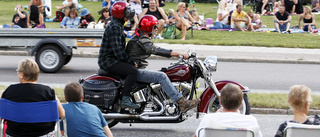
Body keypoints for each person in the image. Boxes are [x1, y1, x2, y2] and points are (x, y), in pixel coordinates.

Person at [126, 15, 199, 113]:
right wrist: (178, 54)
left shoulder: (141, 36)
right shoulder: (142, 39)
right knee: (161, 76)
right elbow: (155, 50)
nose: (156, 29)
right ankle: (182, 103)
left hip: (135, 69)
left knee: (165, 72)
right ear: (148, 27)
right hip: (134, 71)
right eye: (154, 27)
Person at [1, 59, 65, 136]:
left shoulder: (9, 91)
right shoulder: (48, 92)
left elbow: (3, 114)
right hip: (43, 134)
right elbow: (62, 114)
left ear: (22, 74)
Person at [98, 1, 139, 109]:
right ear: (121, 14)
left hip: (112, 59)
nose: (129, 13)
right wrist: (130, 61)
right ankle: (125, 99)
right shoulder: (114, 27)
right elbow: (118, 51)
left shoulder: (118, 25)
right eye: (127, 11)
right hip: (108, 61)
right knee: (132, 71)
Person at [193, 83, 262, 137]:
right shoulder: (250, 121)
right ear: (241, 103)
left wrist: (217, 114)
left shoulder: (208, 119)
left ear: (220, 102)